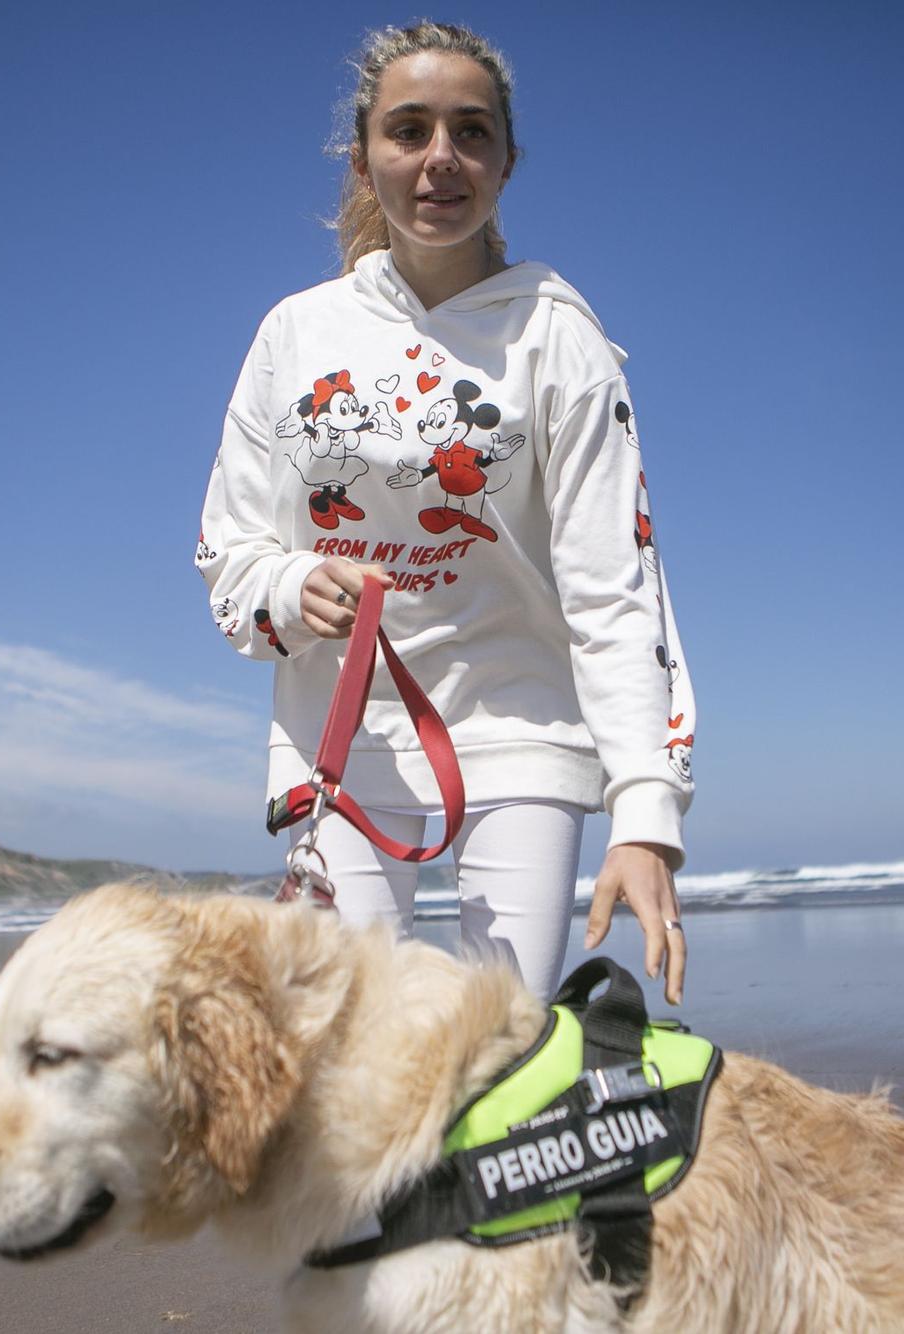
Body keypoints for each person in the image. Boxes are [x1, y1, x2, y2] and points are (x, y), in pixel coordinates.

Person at [196, 21, 696, 1003]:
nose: (439, 158)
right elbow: (229, 552)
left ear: (508, 160)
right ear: (362, 154)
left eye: (470, 132)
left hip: (522, 732)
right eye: (408, 129)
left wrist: (644, 811)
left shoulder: (558, 332)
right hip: (342, 745)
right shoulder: (294, 332)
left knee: (498, 1047)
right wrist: (297, 582)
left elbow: (615, 584)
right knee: (344, 1050)